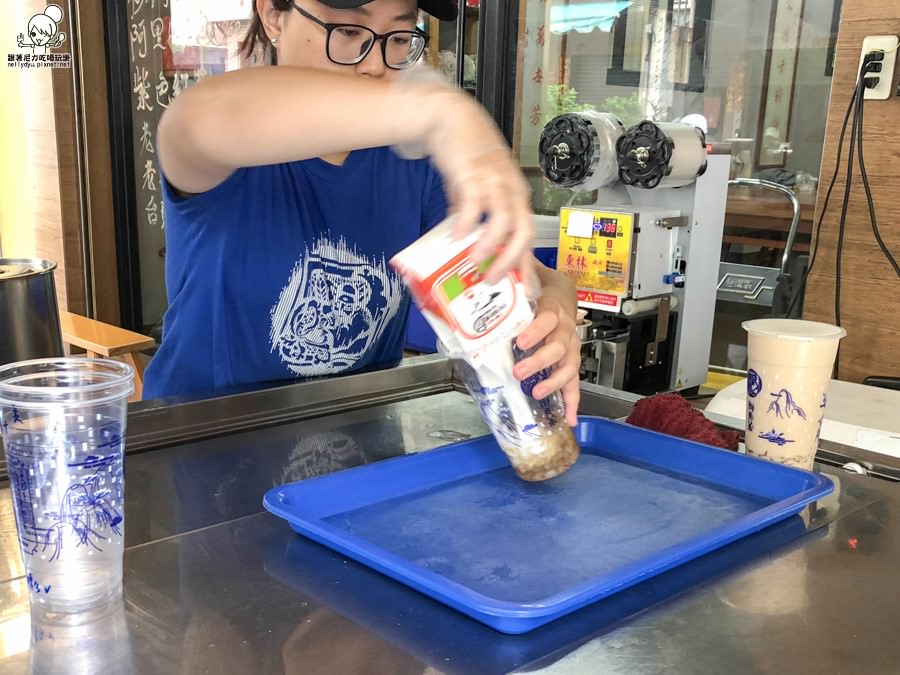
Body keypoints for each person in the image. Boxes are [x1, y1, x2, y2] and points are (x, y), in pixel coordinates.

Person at [143, 0, 582, 424]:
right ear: (273, 16)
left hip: (359, 446)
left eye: (397, 36)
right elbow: (196, 118)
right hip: (204, 445)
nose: (376, 64)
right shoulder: (230, 142)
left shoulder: (414, 163)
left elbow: (502, 267)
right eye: (349, 32)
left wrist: (555, 297)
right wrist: (444, 111)